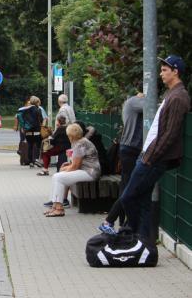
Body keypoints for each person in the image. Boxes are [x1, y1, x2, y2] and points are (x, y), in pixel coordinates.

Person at [118, 56, 190, 240]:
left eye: (165, 70)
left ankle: (132, 235)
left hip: (153, 158)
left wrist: (150, 157)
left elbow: (170, 133)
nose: (161, 73)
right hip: (149, 155)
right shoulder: (171, 94)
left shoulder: (178, 97)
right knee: (142, 200)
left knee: (129, 197)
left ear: (176, 72)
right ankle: (143, 241)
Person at [98, 91, 145, 234]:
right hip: (132, 148)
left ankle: (122, 223)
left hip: (128, 148)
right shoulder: (135, 101)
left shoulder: (129, 102)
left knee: (127, 187)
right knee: (130, 188)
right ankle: (110, 221)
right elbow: (154, 108)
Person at [44, 123, 101, 217]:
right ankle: (55, 206)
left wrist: (65, 169)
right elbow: (76, 163)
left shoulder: (79, 144)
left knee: (59, 177)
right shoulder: (81, 141)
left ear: (70, 135)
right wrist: (66, 167)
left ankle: (59, 209)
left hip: (90, 172)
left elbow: (75, 166)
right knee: (57, 176)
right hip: (88, 170)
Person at [16, 96, 43, 168]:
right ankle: (36, 160)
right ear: (36, 102)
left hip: (28, 131)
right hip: (36, 131)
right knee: (37, 146)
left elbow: (22, 119)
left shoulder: (25, 110)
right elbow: (41, 119)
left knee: (30, 146)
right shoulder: (38, 110)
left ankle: (31, 162)